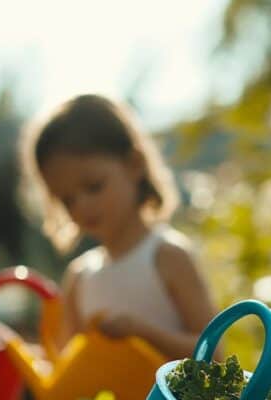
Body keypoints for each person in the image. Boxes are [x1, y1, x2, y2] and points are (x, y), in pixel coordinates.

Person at [21, 94, 216, 361]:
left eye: (93, 186)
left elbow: (214, 355)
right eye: (67, 200)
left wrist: (143, 333)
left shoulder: (167, 256)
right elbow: (66, 366)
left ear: (134, 164)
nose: (81, 207)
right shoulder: (79, 278)